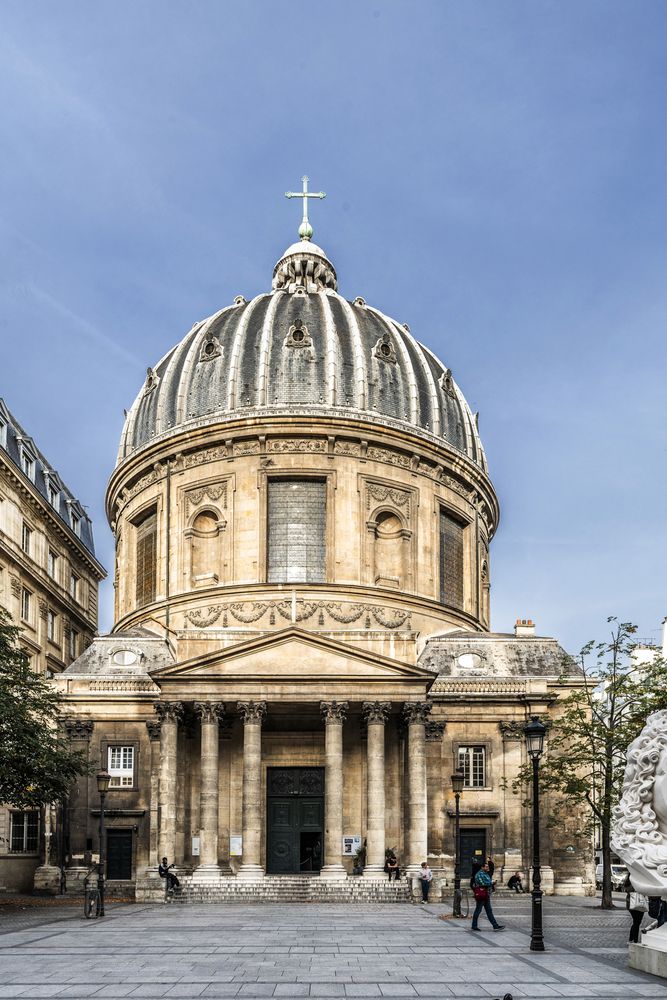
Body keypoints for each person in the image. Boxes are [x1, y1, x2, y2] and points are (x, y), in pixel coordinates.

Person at [471, 862, 504, 931]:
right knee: (478, 910)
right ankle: (474, 925)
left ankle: (495, 926)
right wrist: (491, 883)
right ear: (482, 867)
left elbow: (487, 881)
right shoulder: (479, 874)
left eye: (487, 866)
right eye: (486, 867)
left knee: (489, 911)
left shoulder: (485, 874)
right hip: (481, 894)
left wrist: (491, 882)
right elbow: (482, 883)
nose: (487, 868)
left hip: (486, 894)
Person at [625, 876, 648, 943]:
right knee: (636, 922)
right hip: (633, 903)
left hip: (639, 903)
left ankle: (632, 939)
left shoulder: (640, 879)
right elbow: (628, 890)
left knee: (637, 922)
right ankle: (634, 940)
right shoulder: (631, 880)